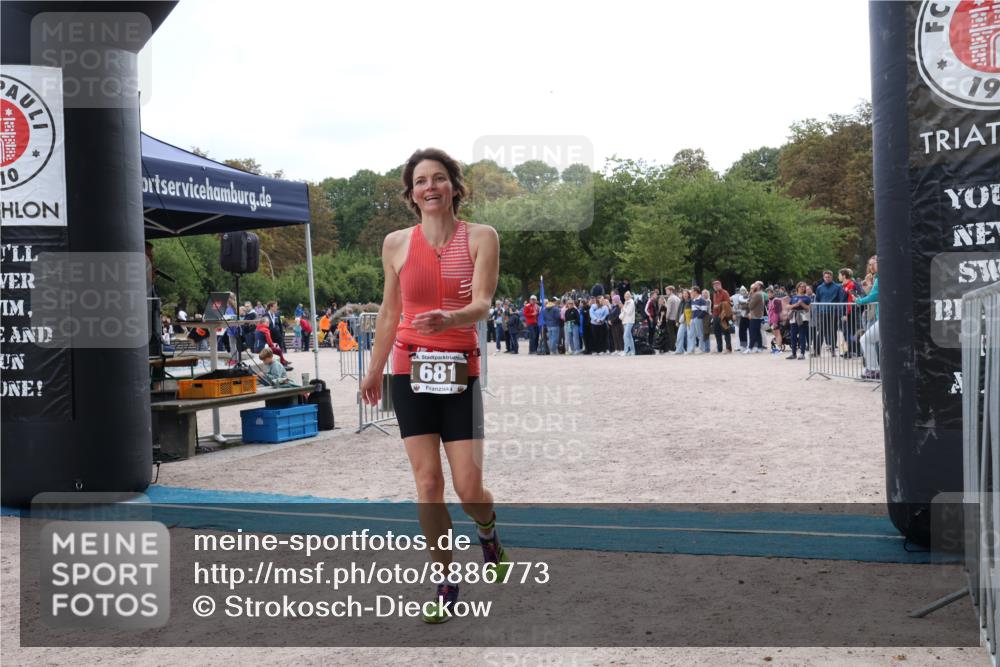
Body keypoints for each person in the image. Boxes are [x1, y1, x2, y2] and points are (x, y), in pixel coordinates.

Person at [359, 149, 507, 623]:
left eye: (439, 179)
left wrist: (452, 317)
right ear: (411, 194)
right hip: (410, 369)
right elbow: (389, 313)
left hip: (460, 367)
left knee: (468, 489)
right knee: (427, 484)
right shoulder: (396, 244)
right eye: (421, 181)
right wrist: (374, 367)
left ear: (454, 188)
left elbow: (483, 303)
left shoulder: (482, 237)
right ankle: (444, 581)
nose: (430, 187)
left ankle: (487, 532)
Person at [855, 255, 880, 379]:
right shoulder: (878, 278)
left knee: (865, 339)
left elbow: (874, 296)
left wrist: (859, 301)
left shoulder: (880, 278)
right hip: (881, 317)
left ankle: (874, 369)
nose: (871, 267)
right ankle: (873, 369)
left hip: (884, 318)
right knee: (868, 340)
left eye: (873, 264)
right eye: (869, 264)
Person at [812, 270, 846, 357]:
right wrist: (818, 311)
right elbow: (817, 300)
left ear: (832, 277)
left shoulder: (837, 287)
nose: (827, 278)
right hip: (823, 312)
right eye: (826, 277)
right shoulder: (819, 288)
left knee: (833, 331)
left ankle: (833, 350)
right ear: (823, 277)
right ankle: (817, 351)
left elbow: (841, 299)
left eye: (829, 277)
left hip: (833, 312)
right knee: (821, 331)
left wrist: (841, 312)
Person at [786, 282, 811, 360]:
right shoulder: (793, 297)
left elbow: (808, 308)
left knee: (802, 336)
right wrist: (795, 305)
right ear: (798, 287)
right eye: (801, 286)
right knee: (793, 335)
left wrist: (802, 304)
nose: (802, 288)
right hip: (794, 317)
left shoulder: (807, 298)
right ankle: (793, 353)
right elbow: (788, 306)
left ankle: (802, 353)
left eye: (804, 287)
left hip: (803, 318)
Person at [711, 280, 733, 353]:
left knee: (726, 331)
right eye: (714, 286)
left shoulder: (725, 292)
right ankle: (719, 349)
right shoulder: (714, 294)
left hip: (723, 315)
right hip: (715, 315)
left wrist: (718, 305)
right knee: (717, 332)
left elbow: (728, 303)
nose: (715, 287)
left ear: (720, 285)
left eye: (717, 285)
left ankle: (728, 348)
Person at [745, 282, 766, 353]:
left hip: (755, 316)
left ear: (759, 286)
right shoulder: (760, 293)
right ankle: (759, 347)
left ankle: (750, 347)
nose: (754, 285)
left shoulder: (757, 294)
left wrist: (750, 295)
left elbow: (750, 305)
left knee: (753, 332)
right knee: (757, 332)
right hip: (758, 315)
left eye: (756, 284)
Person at [675, 289, 693, 354]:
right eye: (683, 293)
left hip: (689, 320)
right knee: (679, 335)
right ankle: (679, 350)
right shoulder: (681, 302)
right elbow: (678, 312)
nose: (684, 295)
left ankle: (690, 350)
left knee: (689, 336)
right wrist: (677, 321)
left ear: (688, 294)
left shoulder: (691, 301)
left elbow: (692, 311)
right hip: (682, 321)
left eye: (686, 293)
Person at [690, 287, 708, 353]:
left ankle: (701, 349)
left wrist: (698, 318)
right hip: (692, 319)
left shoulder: (702, 300)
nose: (691, 293)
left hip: (698, 319)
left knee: (700, 334)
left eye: (692, 291)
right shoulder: (693, 300)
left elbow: (704, 311)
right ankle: (692, 349)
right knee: (692, 334)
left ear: (695, 292)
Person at [766, 287, 783, 354]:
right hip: (771, 320)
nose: (769, 294)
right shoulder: (770, 301)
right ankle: (777, 348)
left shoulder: (776, 300)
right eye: (768, 293)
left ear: (773, 293)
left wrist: (775, 322)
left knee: (778, 334)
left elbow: (776, 312)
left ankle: (779, 348)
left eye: (770, 293)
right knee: (775, 334)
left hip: (775, 321)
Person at [620, 290, 636, 356]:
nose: (626, 296)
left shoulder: (631, 302)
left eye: (627, 295)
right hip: (625, 321)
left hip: (630, 321)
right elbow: (623, 312)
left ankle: (626, 351)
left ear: (630, 296)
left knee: (625, 336)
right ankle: (632, 351)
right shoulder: (626, 302)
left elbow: (629, 312)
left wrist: (623, 307)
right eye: (625, 295)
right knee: (629, 336)